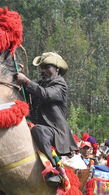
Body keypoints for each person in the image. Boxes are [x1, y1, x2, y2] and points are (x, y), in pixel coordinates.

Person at [15, 52, 78, 187]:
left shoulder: (61, 84)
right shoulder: (40, 83)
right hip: (38, 128)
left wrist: (26, 81)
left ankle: (55, 170)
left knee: (39, 130)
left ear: (57, 69)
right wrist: (17, 74)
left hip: (55, 132)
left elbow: (46, 95)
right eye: (42, 68)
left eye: (47, 67)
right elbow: (26, 94)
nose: (43, 71)